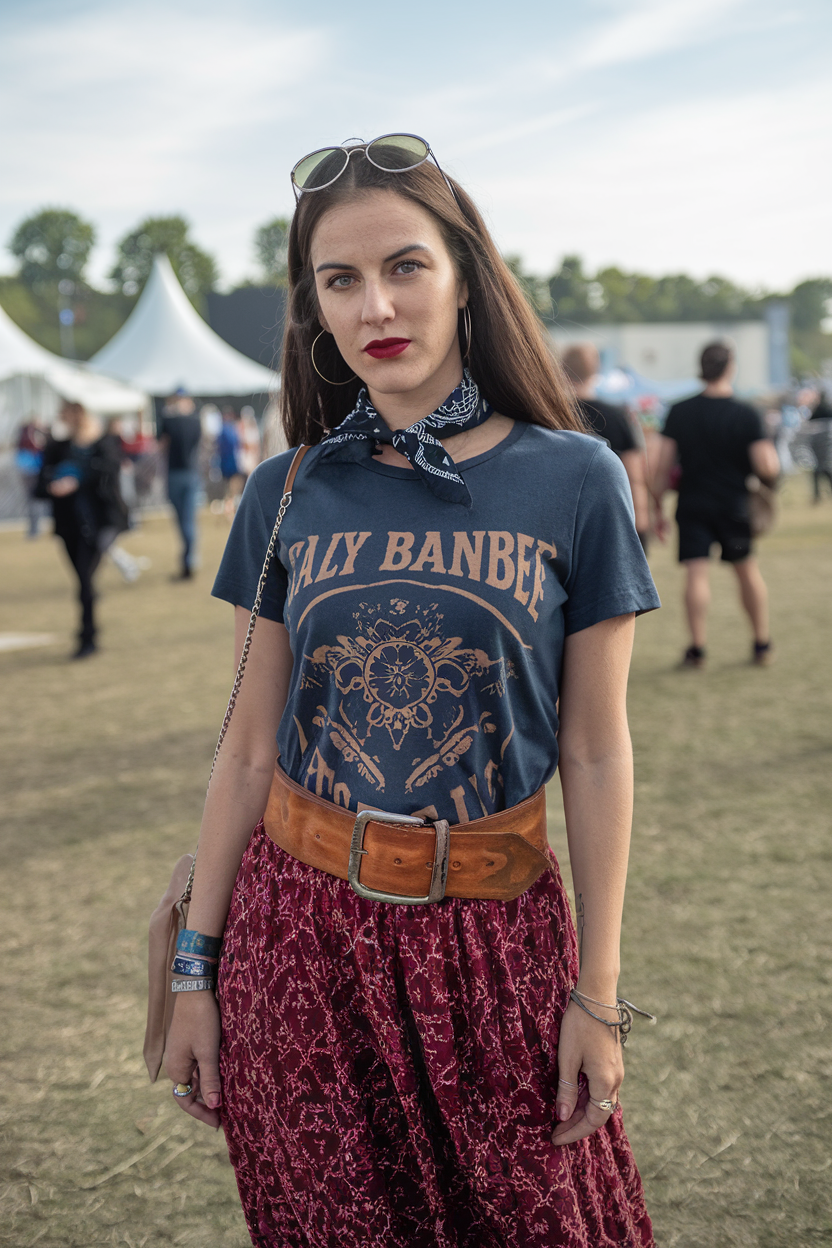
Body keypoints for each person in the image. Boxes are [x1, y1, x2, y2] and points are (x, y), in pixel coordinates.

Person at [164, 134, 660, 1247]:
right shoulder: (281, 493)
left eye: (404, 265)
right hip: (298, 943)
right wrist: (198, 974)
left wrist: (598, 994)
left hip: (496, 940)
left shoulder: (575, 478)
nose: (374, 304)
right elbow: (245, 752)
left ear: (465, 276)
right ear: (313, 309)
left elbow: (595, 751)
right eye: (338, 280)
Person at [652, 341, 780, 667]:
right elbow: (766, 465)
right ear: (730, 367)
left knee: (696, 573)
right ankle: (761, 644)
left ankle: (697, 649)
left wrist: (656, 505)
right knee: (746, 569)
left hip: (693, 502)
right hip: (734, 503)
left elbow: (662, 466)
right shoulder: (746, 413)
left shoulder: (680, 411)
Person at [36, 401, 128, 658]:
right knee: (82, 579)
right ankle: (87, 632)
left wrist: (78, 480)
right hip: (69, 525)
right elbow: (40, 484)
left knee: (85, 581)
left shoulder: (103, 445)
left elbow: (110, 477)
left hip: (98, 524)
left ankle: (88, 636)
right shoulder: (58, 448)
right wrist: (53, 487)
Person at [561, 343, 651, 550]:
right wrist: (641, 522)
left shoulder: (550, 416)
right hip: (610, 513)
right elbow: (634, 476)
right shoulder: (617, 416)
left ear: (563, 369)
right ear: (596, 370)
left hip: (566, 516)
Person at [157, 388, 202, 579]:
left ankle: (188, 562)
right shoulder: (196, 421)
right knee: (189, 519)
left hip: (175, 473)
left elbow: (160, 444)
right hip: (191, 472)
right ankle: (190, 559)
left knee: (183, 520)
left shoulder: (168, 420)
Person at [15, 415, 48, 538]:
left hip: (31, 470)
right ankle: (35, 529)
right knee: (34, 500)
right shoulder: (31, 434)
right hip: (32, 470)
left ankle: (35, 529)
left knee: (34, 501)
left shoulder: (25, 435)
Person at [216, 405, 245, 518]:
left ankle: (229, 510)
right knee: (233, 489)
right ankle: (230, 511)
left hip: (225, 462)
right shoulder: (231, 429)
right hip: (232, 462)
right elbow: (237, 445)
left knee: (229, 489)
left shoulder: (223, 429)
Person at [807, 391, 832, 502]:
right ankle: (817, 495)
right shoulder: (825, 409)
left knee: (821, 469)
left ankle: (817, 495)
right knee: (822, 469)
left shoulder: (820, 410)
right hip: (820, 446)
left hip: (822, 445)